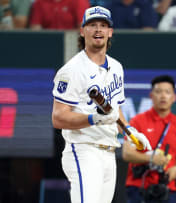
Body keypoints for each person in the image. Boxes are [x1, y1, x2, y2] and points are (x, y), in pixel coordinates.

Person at [51, 6, 157, 203]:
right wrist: (94, 118)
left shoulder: (116, 67)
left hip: (109, 152)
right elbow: (58, 118)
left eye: (103, 25)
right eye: (92, 25)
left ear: (110, 32)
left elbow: (114, 109)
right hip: (83, 149)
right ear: (82, 31)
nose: (98, 30)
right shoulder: (72, 70)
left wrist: (130, 131)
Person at [122, 75, 176, 203]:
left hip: (167, 189)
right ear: (151, 95)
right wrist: (151, 158)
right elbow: (127, 153)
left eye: (167, 92)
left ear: (174, 97)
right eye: (158, 91)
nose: (163, 96)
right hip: (139, 187)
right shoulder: (138, 121)